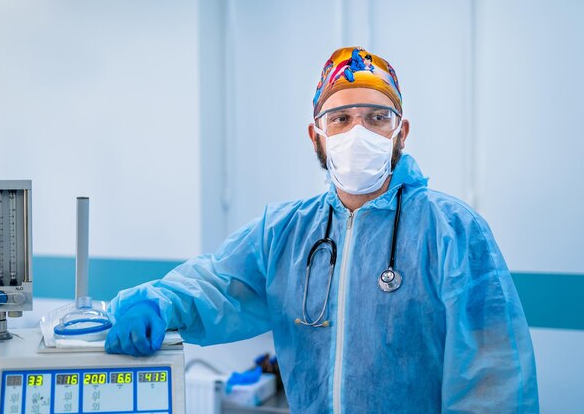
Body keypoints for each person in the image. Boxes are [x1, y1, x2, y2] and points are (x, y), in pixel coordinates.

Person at [106, 46, 539, 413]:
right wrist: (158, 303)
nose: (358, 132)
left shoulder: (454, 232)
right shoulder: (284, 233)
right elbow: (216, 284)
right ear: (317, 136)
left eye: (376, 118)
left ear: (400, 133)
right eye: (340, 119)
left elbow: (493, 379)